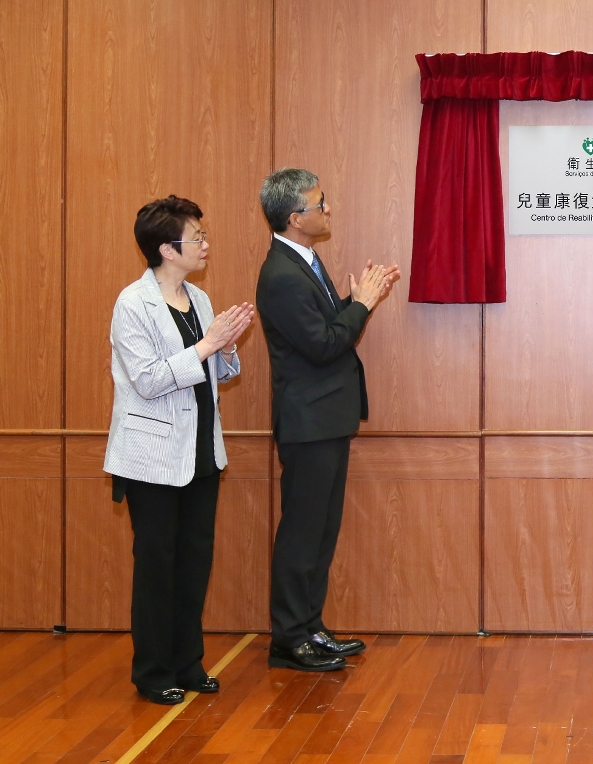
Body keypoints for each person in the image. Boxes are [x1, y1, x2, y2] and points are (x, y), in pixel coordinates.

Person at [104, 196, 254, 705]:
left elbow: (217, 376)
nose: (205, 244)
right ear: (168, 248)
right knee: (156, 565)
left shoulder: (200, 299)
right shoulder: (133, 303)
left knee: (194, 561)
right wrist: (209, 345)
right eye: (197, 237)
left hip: (200, 454)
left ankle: (188, 662)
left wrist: (228, 346)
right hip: (152, 458)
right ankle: (152, 671)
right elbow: (147, 381)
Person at [256, 169, 399, 672]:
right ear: (295, 218)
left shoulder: (304, 262)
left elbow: (320, 328)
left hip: (327, 419)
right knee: (303, 531)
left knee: (321, 529)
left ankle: (310, 627)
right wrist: (360, 306)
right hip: (308, 422)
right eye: (321, 203)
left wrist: (350, 303)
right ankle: (288, 638)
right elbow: (321, 346)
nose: (328, 210)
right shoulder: (279, 274)